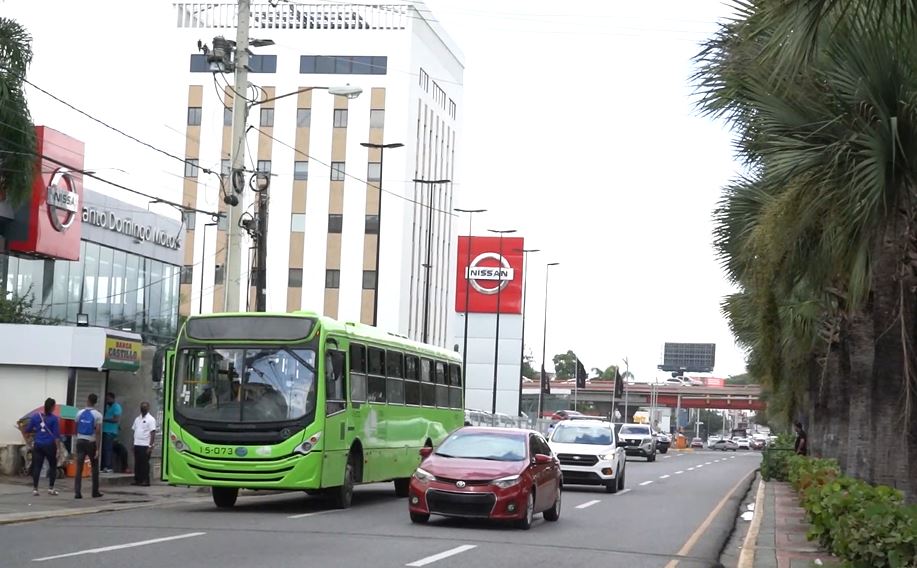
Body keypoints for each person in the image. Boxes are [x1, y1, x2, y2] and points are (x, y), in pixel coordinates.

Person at [22, 398, 61, 496]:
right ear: (52, 407)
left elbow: (27, 429)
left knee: (37, 466)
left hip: (38, 444)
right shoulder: (54, 419)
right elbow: (56, 436)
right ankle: (50, 488)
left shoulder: (35, 416)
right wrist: (59, 449)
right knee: (52, 466)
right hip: (49, 445)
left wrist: (28, 440)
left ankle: (35, 489)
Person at [74, 393, 104, 499]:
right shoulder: (98, 415)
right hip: (91, 442)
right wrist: (98, 449)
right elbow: (98, 432)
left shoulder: (79, 413)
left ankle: (77, 492)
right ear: (95, 402)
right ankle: (95, 492)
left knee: (79, 467)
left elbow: (75, 427)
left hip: (80, 441)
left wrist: (77, 438)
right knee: (95, 467)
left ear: (87, 400)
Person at [131, 401, 157, 486]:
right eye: (142, 406)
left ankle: (146, 480)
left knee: (144, 464)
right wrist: (133, 444)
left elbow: (152, 433)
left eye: (145, 407)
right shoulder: (137, 419)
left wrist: (150, 446)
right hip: (137, 444)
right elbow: (134, 431)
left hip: (145, 445)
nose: (143, 408)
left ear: (148, 408)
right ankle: (138, 480)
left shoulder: (151, 419)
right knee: (137, 463)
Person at [101, 392, 122, 473]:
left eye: (108, 399)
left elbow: (116, 419)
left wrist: (104, 419)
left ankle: (108, 467)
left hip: (111, 431)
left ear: (113, 398)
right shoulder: (107, 406)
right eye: (106, 399)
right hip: (105, 430)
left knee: (108, 449)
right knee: (105, 449)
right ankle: (105, 466)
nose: (107, 400)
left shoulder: (117, 407)